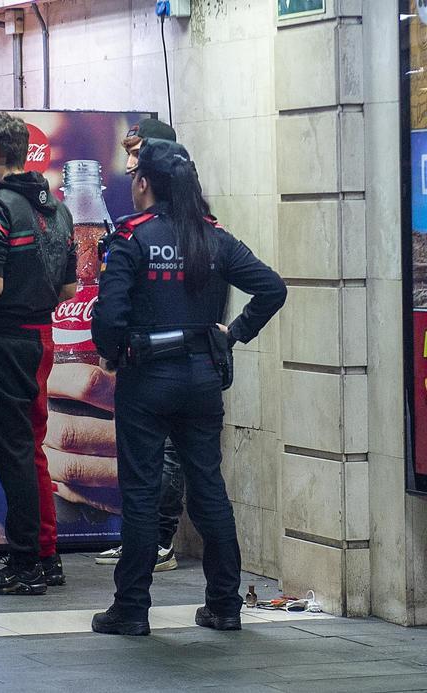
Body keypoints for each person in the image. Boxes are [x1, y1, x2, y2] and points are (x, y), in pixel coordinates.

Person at [90, 139, 286, 636]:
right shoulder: (213, 238)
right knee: (208, 487)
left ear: (143, 184)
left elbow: (108, 317)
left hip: (146, 378)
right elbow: (272, 287)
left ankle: (131, 609)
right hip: (202, 378)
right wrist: (233, 333)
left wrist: (113, 355)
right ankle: (224, 604)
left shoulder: (130, 238)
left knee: (140, 491)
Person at [0, 112, 76, 595]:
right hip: (42, 338)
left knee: (14, 453)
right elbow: (68, 285)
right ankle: (46, 557)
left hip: (3, 339)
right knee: (30, 448)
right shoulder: (58, 209)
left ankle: (24, 565)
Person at [95, 118, 187, 573]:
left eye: (137, 152)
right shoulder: (138, 221)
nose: (129, 163)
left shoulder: (185, 221)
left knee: (170, 457)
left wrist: (232, 332)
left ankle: (159, 542)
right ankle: (141, 541)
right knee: (146, 461)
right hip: (149, 355)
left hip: (175, 359)